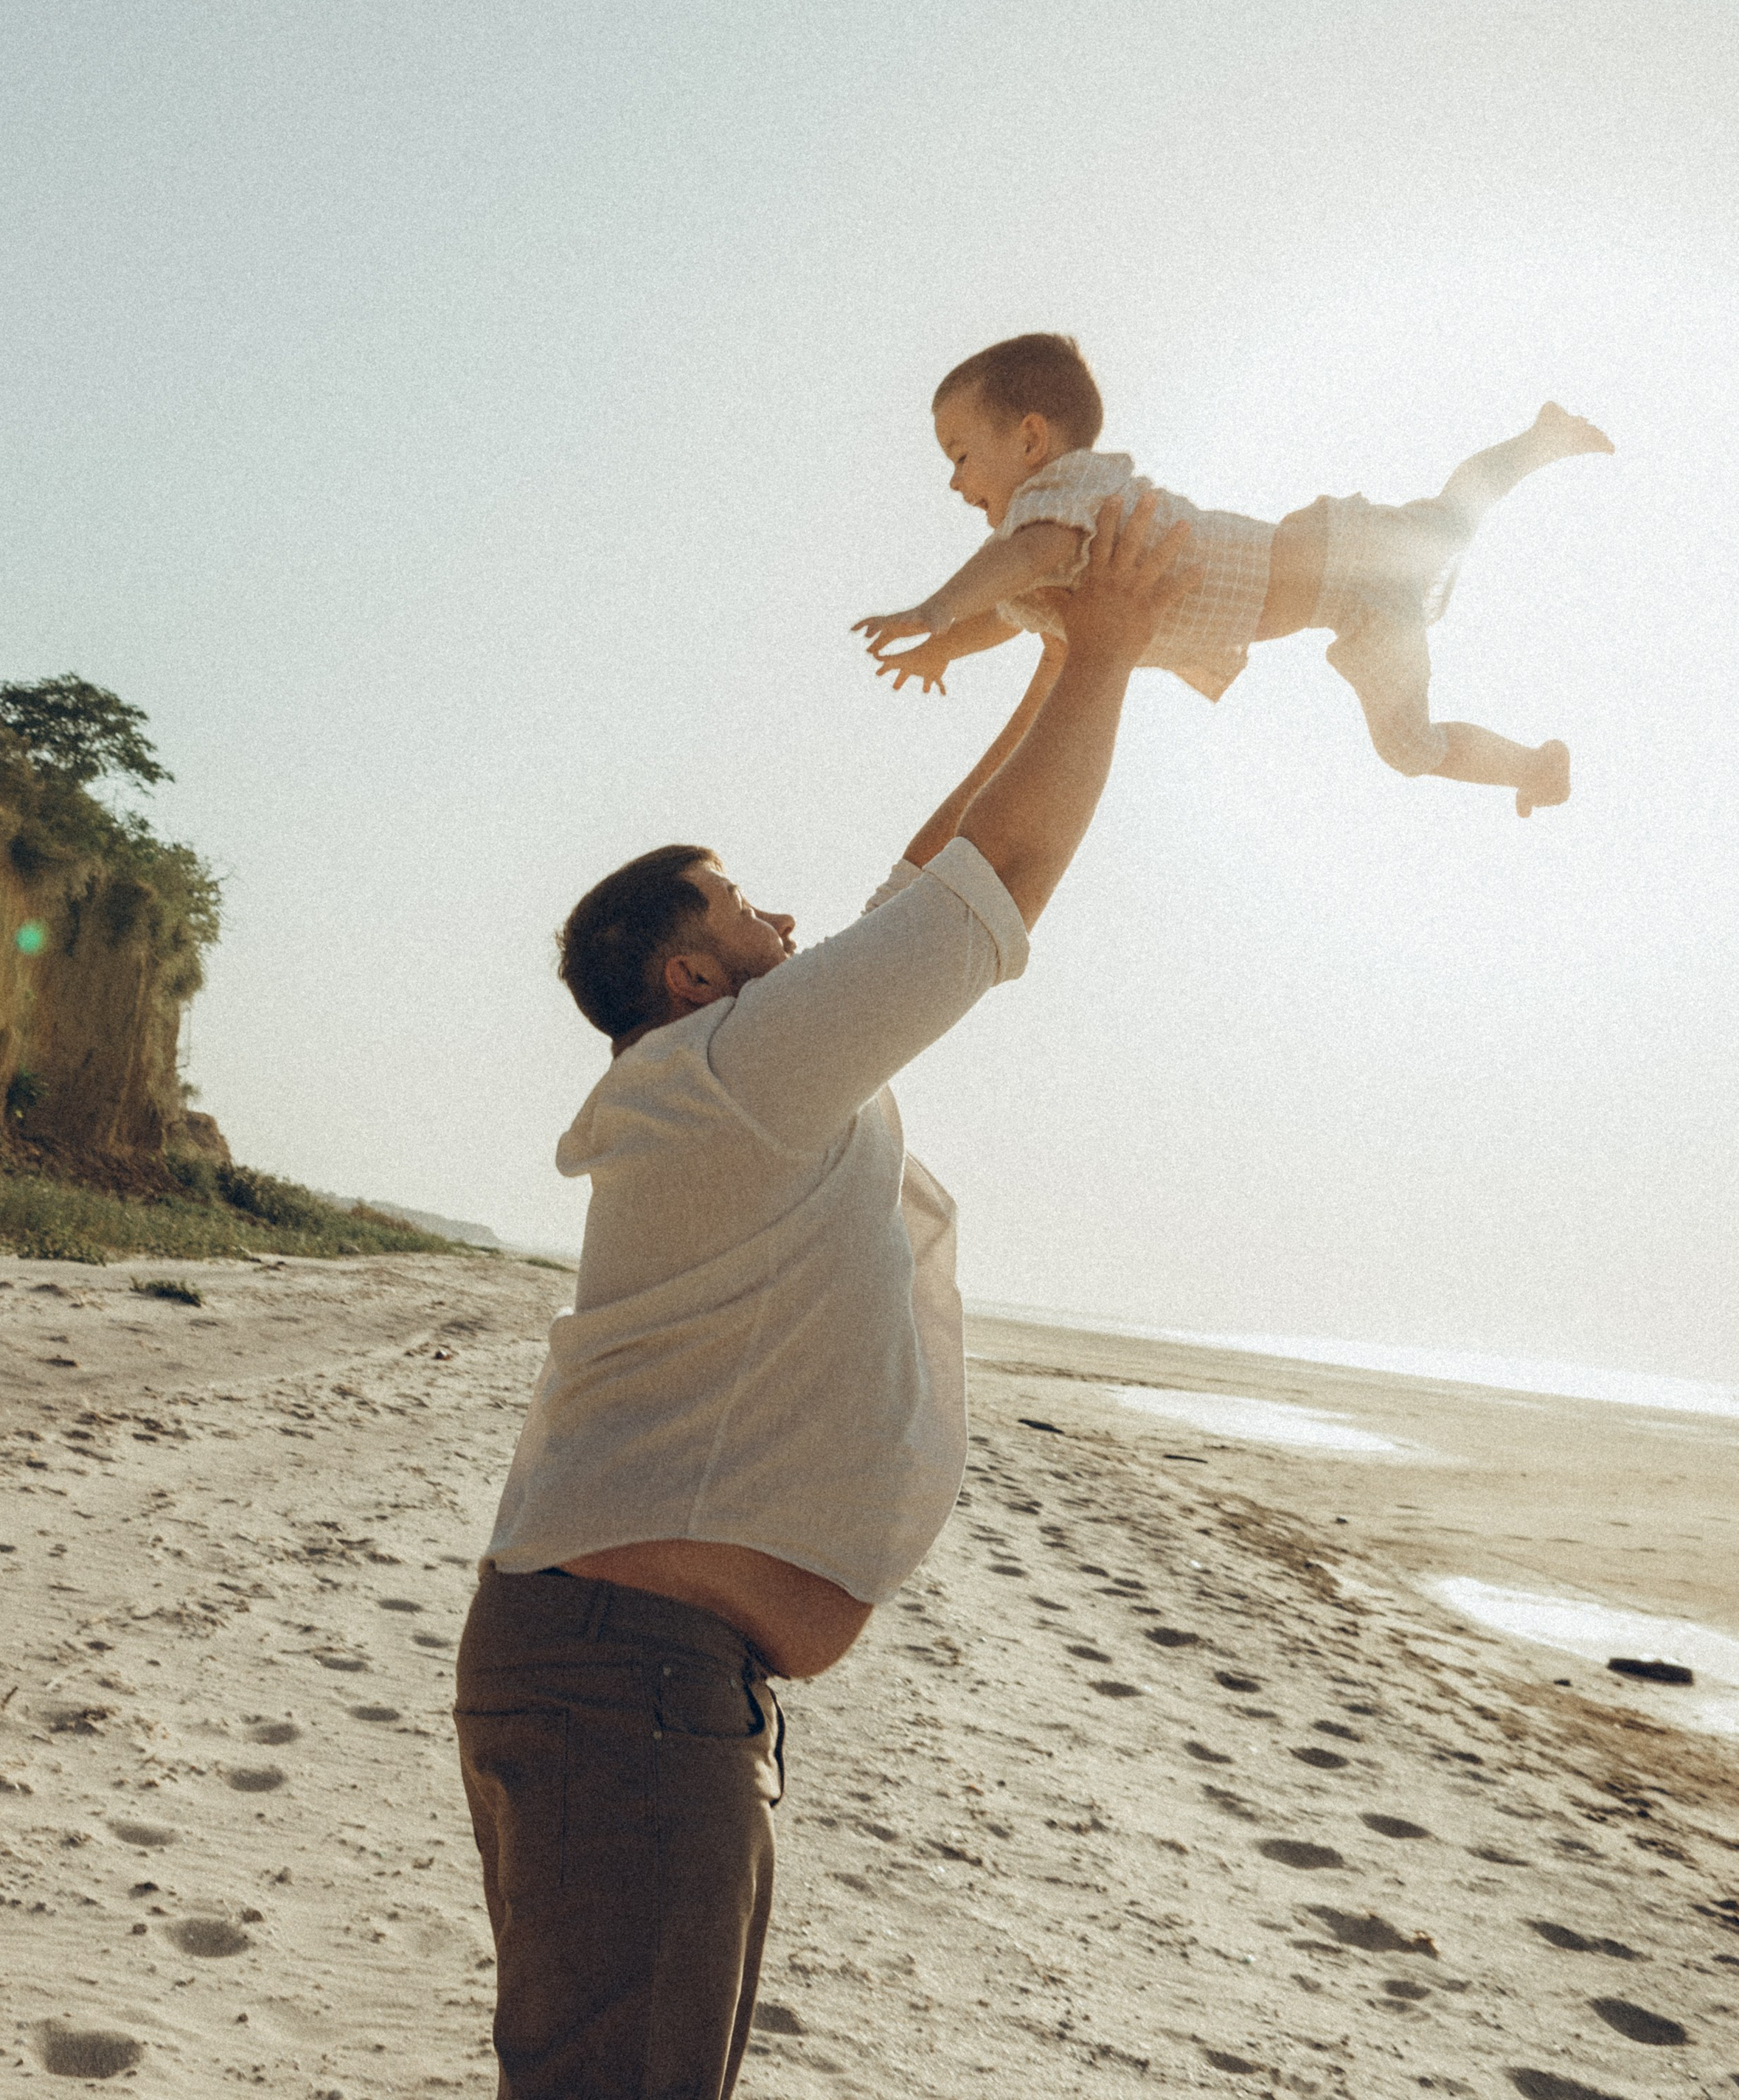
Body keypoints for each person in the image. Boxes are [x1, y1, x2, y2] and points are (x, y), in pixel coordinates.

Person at [452, 495, 1196, 2100]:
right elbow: (996, 879)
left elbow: (927, 881)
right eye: (745, 908)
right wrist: (1111, 650)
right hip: (625, 1685)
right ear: (690, 975)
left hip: (638, 1680)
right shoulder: (731, 1072)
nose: (787, 921)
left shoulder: (733, 1077)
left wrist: (1057, 658)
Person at [854, 331, 1612, 817]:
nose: (955, 482)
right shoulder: (1046, 543)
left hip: (1338, 555)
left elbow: (1022, 560)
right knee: (1406, 748)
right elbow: (1010, 608)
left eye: (960, 455)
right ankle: (1531, 768)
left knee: (1452, 518)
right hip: (1356, 615)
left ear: (1030, 440)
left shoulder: (1064, 492)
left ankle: (1540, 439)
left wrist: (938, 609)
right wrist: (946, 648)